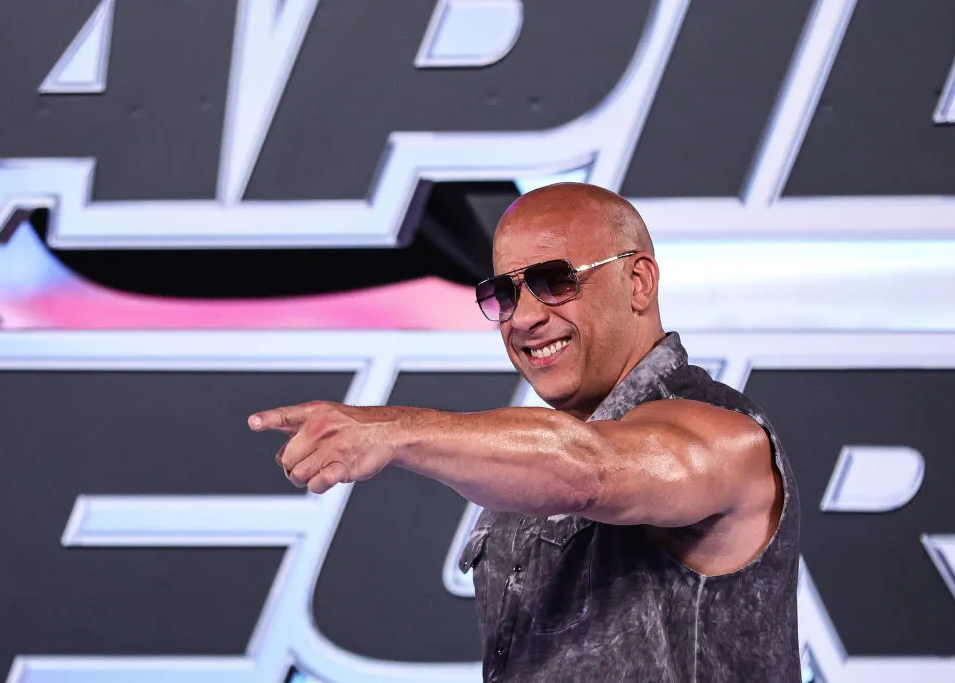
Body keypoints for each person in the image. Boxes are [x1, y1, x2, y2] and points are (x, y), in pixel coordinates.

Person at [248, 182, 800, 682]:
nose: (524, 317)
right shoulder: (529, 454)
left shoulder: (726, 435)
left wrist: (393, 430)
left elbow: (594, 471)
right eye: (505, 295)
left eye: (555, 281)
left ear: (638, 282)